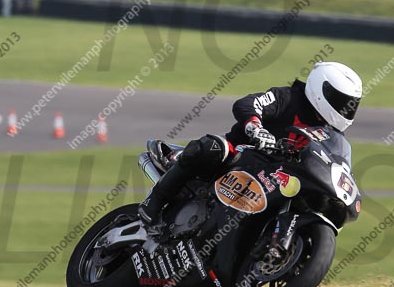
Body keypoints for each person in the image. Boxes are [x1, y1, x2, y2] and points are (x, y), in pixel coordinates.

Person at [138, 61, 362, 226]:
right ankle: (154, 202)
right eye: (343, 102)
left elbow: (337, 164)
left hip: (279, 180)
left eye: (352, 104)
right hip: (242, 157)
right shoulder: (290, 98)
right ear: (323, 90)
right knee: (212, 147)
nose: (347, 109)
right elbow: (248, 104)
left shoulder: (332, 134)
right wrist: (256, 128)